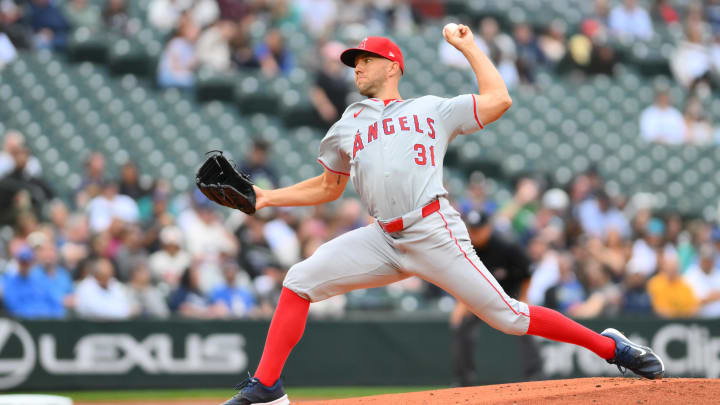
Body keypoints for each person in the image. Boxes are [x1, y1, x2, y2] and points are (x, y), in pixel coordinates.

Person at [221, 27, 664, 405]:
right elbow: (327, 187)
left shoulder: (430, 109)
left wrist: (469, 47)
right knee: (298, 280)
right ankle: (268, 387)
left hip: (433, 230)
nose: (356, 66)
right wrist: (265, 198)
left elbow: (499, 99)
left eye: (365, 59)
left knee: (508, 317)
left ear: (392, 66)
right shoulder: (347, 124)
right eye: (353, 61)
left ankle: (613, 348)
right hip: (382, 238)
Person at [450, 210, 542, 386]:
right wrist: (461, 305)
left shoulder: (506, 245)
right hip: (480, 296)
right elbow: (460, 279)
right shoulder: (465, 246)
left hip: (510, 294)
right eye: (472, 230)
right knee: (461, 325)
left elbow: (527, 271)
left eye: (479, 229)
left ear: (488, 228)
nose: (475, 234)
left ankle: (536, 375)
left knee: (527, 327)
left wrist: (524, 296)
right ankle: (462, 380)